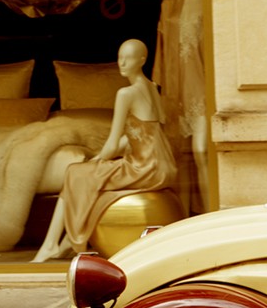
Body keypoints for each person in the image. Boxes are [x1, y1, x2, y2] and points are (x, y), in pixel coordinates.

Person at [32, 39, 178, 262]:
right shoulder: (152, 87)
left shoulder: (126, 93)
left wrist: (97, 160)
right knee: (85, 173)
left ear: (142, 60)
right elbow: (143, 132)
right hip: (161, 163)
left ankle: (52, 244)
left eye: (128, 58)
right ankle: (65, 242)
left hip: (144, 166)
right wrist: (100, 161)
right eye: (119, 57)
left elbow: (113, 143)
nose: (122, 62)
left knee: (75, 172)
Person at [153, 0, 210, 212]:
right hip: (176, 90)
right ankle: (183, 216)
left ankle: (212, 211)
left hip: (202, 88)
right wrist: (156, 88)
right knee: (179, 158)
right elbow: (161, 50)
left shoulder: (210, 3)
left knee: (201, 151)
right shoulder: (170, 6)